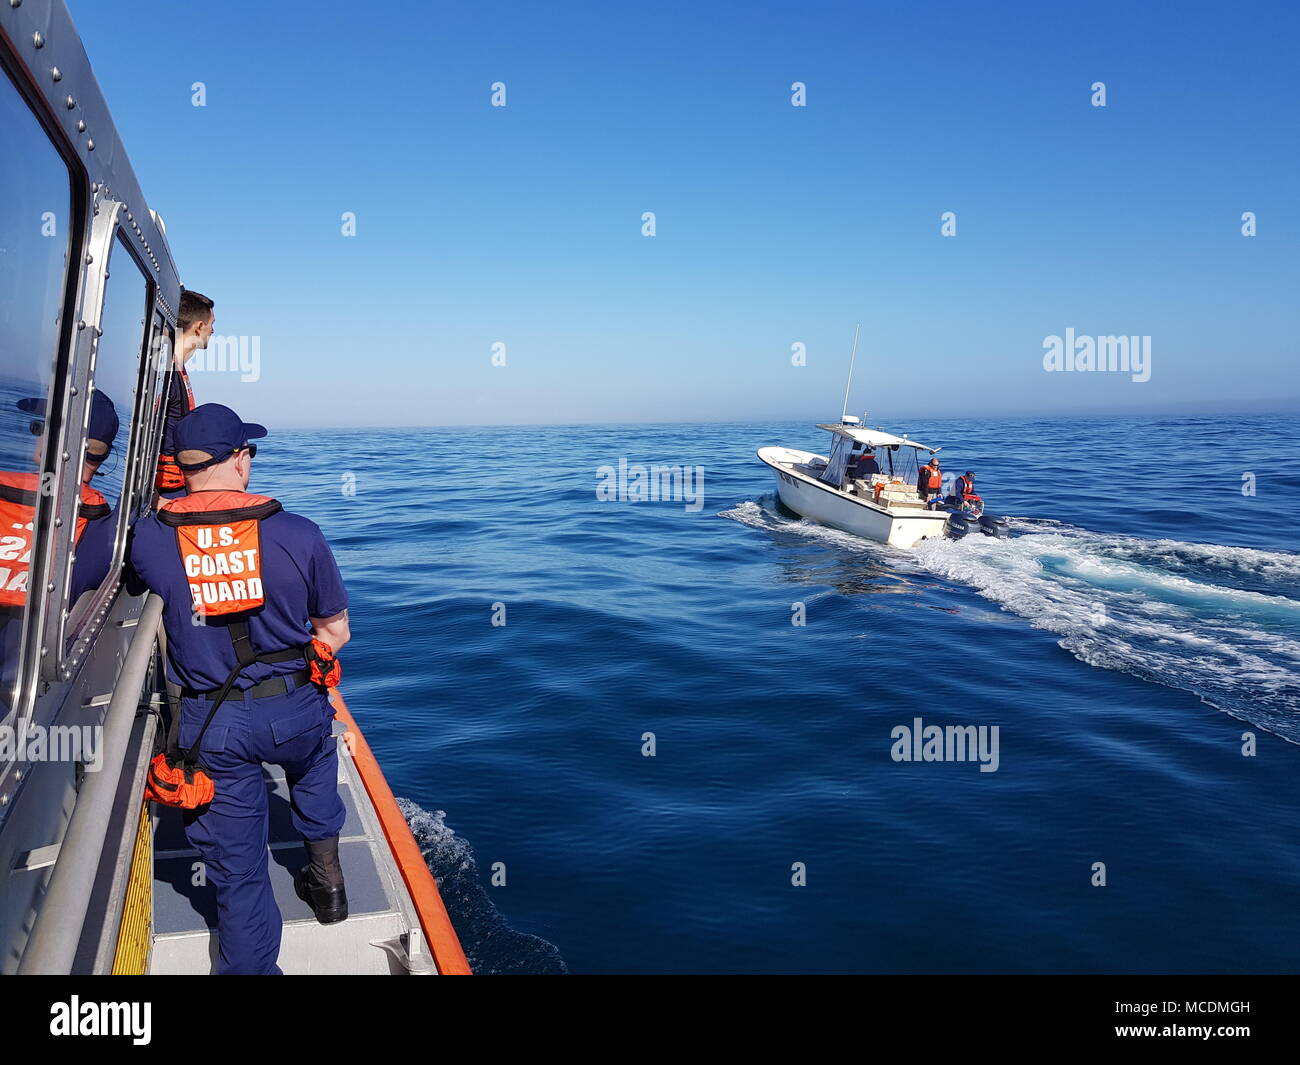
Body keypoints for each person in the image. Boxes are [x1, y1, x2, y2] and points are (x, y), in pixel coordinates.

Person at [129, 403, 351, 975]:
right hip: (295, 707)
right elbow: (334, 633)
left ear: (182, 468)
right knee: (318, 755)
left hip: (212, 724)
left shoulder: (151, 540)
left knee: (240, 873)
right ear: (240, 459)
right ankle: (327, 882)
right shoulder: (299, 533)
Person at [155, 289, 214, 495]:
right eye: (211, 324)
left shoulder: (176, 367)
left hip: (176, 483)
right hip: (166, 488)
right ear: (198, 327)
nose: (213, 331)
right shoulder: (166, 372)